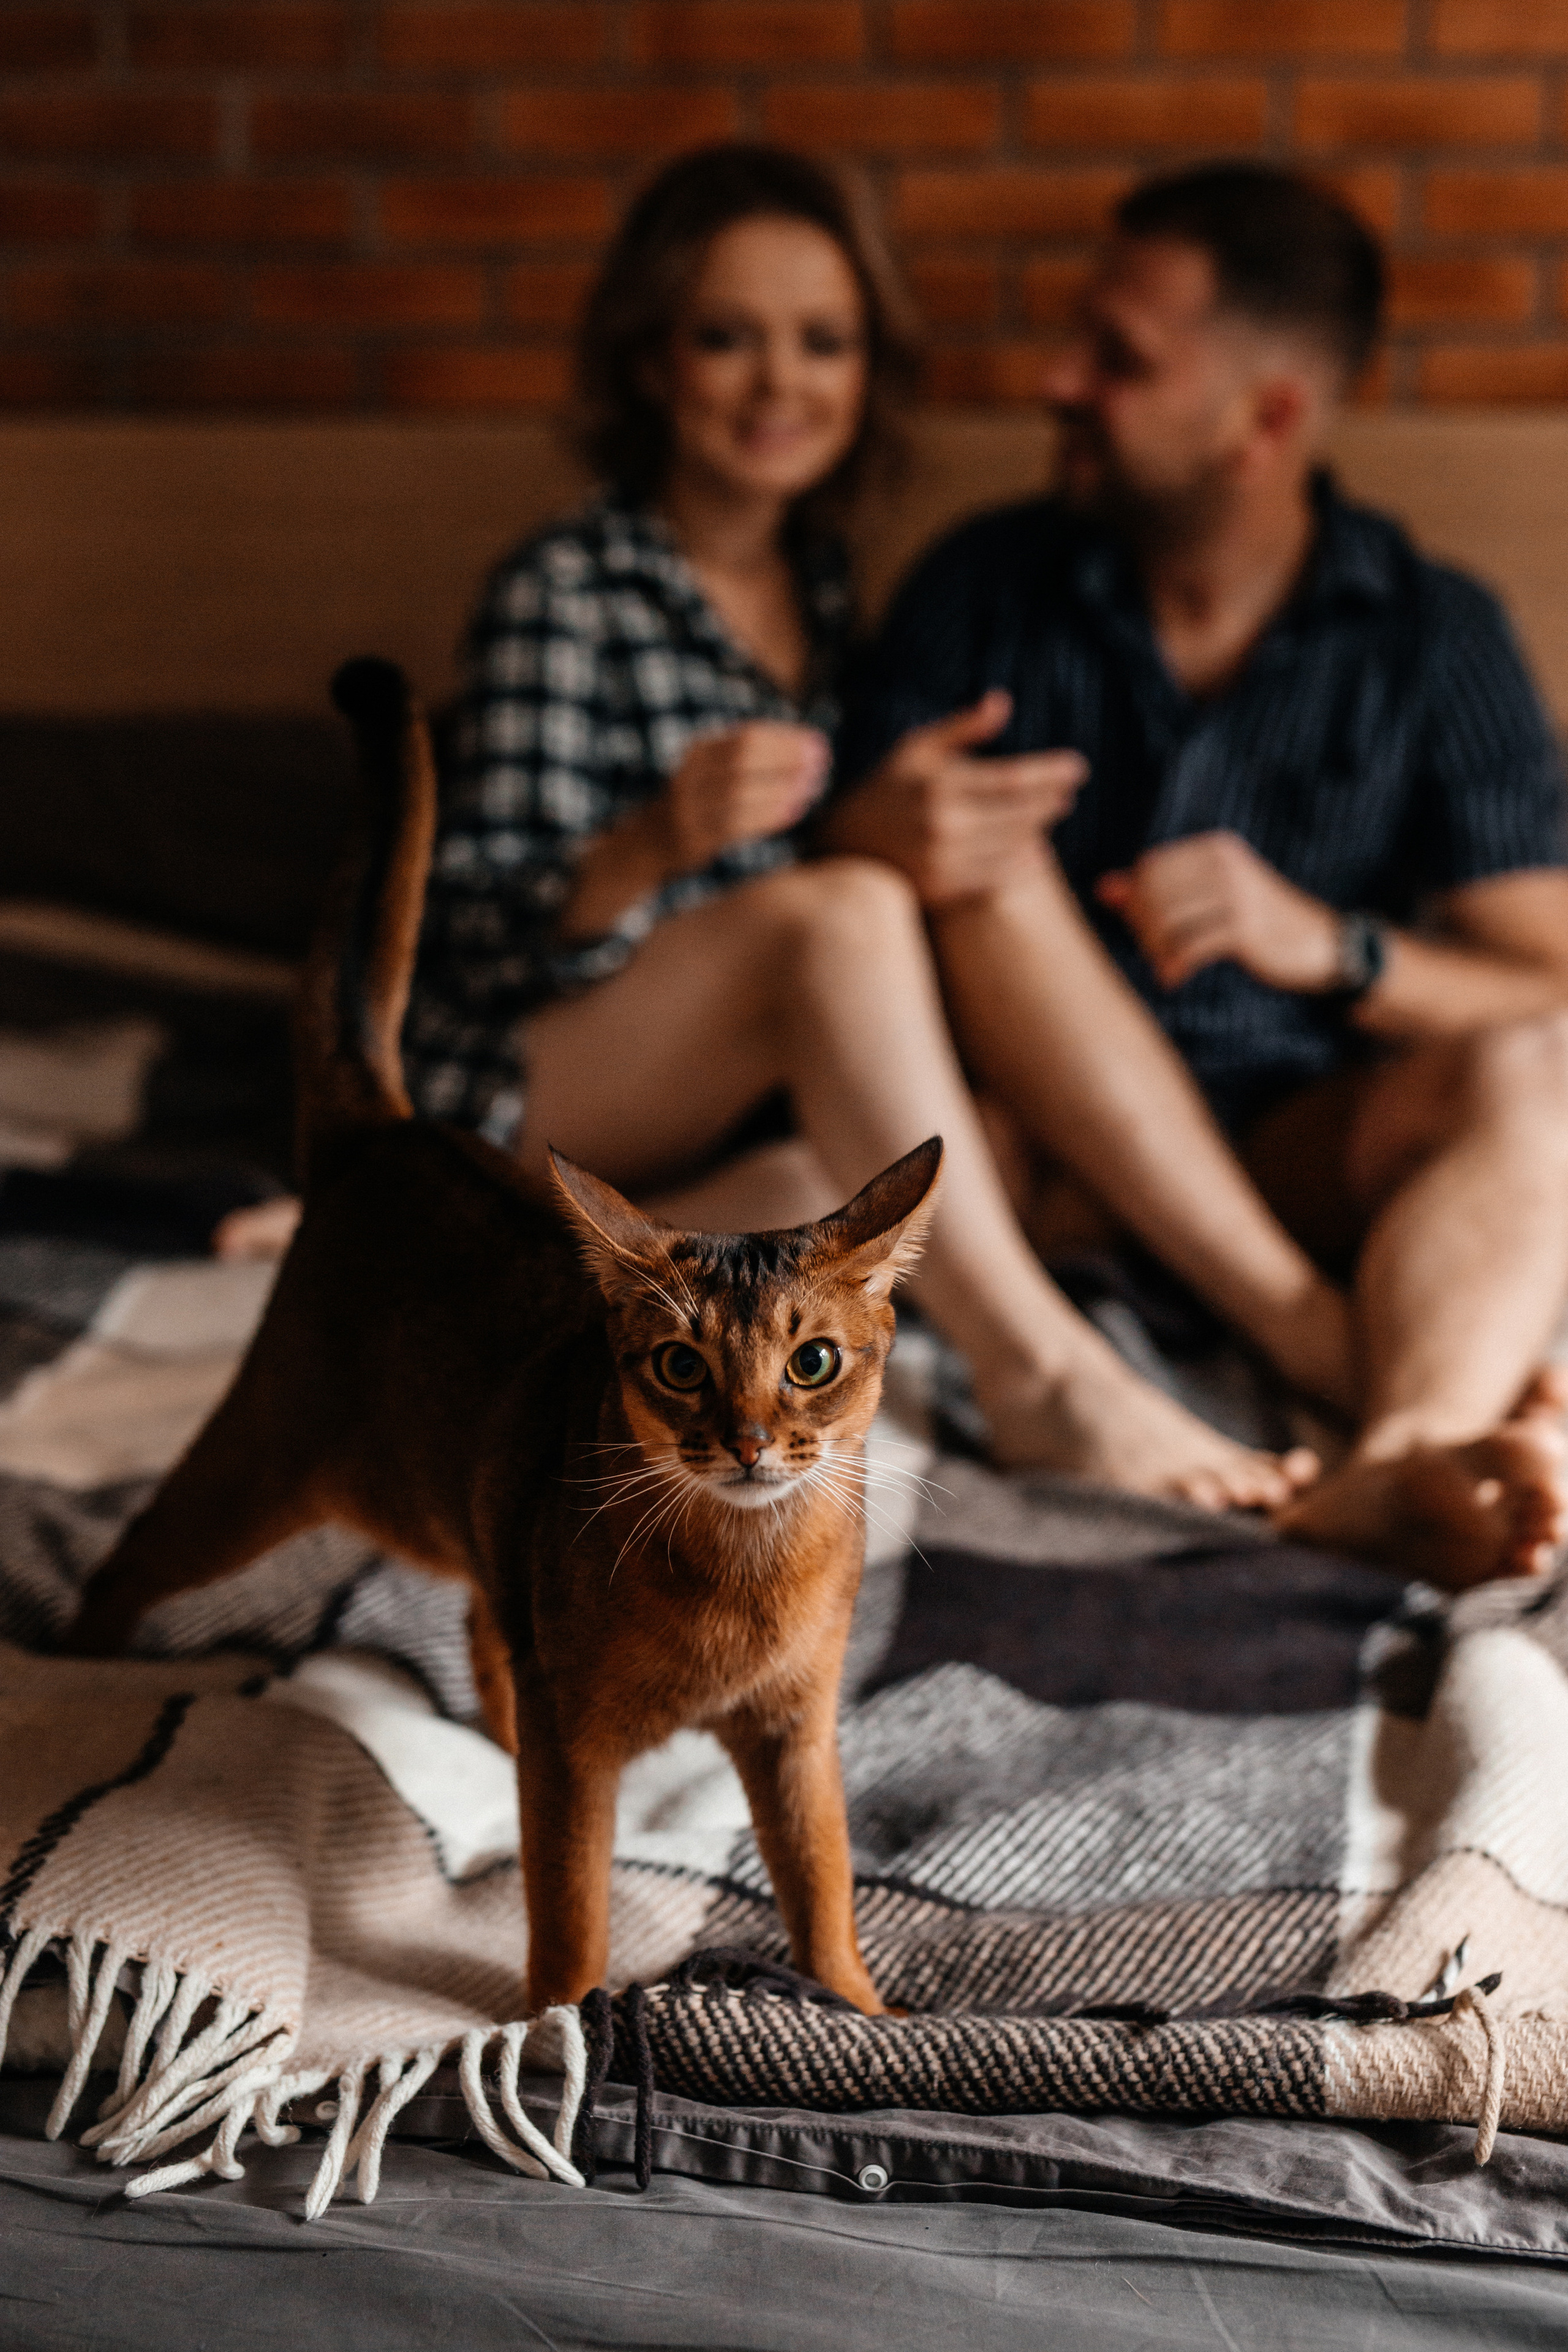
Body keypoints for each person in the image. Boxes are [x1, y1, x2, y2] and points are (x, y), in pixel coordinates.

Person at [223, 142, 1317, 1510]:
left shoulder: (829, 593)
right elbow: (475, 942)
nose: (779, 383)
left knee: (944, 1155)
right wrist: (650, 845)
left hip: (701, 1119)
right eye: (727, 338)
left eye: (824, 343)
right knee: (843, 916)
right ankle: (1043, 1376)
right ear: (651, 362)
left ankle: (440, 1244)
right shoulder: (569, 588)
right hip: (512, 1070)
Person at [832, 161, 1568, 1588]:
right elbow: (822, 906)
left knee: (1538, 1068)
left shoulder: (1434, 636)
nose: (1056, 382)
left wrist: (1334, 949)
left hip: (1299, 1144)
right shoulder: (979, 587)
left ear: (1264, 421)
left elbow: (1546, 980)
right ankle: (1318, 1344)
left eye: (1116, 359)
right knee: (974, 856)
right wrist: (879, 826)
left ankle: (1397, 1456)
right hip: (1032, 1154)